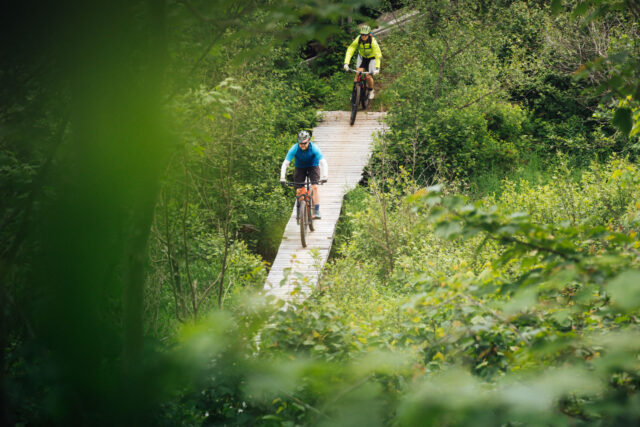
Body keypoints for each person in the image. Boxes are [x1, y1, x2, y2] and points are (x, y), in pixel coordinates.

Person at [280, 130, 328, 219]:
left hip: (313, 166)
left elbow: (323, 162)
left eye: (304, 143)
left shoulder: (314, 148)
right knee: (299, 190)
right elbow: (285, 163)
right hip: (300, 167)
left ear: (308, 141)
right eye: (300, 144)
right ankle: (300, 210)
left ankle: (317, 211)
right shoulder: (294, 148)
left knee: (315, 187)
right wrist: (282, 177)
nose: (302, 146)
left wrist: (325, 176)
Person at [343, 24, 382, 100]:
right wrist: (346, 63)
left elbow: (378, 55)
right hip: (362, 57)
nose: (363, 36)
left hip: (372, 58)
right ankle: (354, 94)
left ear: (368, 34)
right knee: (358, 74)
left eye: (365, 35)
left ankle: (371, 90)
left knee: (368, 76)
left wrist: (377, 68)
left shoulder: (373, 41)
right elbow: (351, 49)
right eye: (361, 34)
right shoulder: (358, 39)